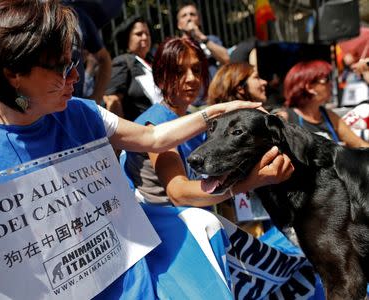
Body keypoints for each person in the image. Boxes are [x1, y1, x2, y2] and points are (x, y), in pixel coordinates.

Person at [0, 1, 286, 298]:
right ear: (13, 71)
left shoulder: (83, 113)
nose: (76, 76)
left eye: (74, 62)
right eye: (62, 67)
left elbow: (155, 139)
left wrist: (215, 112)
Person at [124, 38, 292, 209]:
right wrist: (250, 182)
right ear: (160, 77)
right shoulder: (156, 122)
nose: (191, 78)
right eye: (179, 71)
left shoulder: (194, 119)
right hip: (166, 224)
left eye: (196, 70)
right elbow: (178, 194)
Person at [207, 62, 270, 237]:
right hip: (242, 229)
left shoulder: (268, 123)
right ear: (240, 88)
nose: (264, 82)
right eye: (256, 78)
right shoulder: (214, 133)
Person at [277, 60, 369, 147]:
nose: (331, 84)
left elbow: (360, 145)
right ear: (310, 88)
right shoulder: (285, 118)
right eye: (326, 80)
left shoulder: (329, 116)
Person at [103, 16, 156, 121]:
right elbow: (112, 100)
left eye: (147, 34)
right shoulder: (122, 62)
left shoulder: (154, 62)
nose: (145, 37)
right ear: (127, 38)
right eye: (139, 34)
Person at [62, 3, 112, 105]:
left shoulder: (77, 15)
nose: (74, 75)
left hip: (75, 105)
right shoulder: (29, 13)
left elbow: (104, 58)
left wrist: (96, 98)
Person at [176, 1, 229, 81]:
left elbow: (226, 59)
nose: (189, 18)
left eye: (192, 14)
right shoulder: (175, 46)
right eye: (184, 16)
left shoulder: (211, 39)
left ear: (199, 20)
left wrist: (202, 38)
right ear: (179, 25)